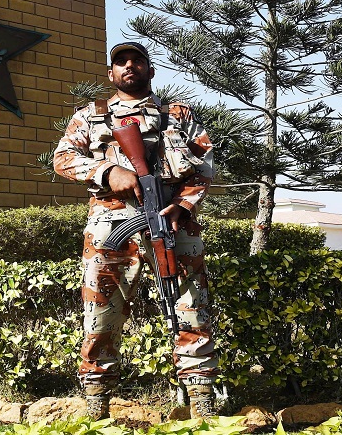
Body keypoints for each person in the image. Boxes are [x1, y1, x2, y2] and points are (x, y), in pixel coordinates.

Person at [53, 42, 219, 419]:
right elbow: (63, 158)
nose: (129, 66)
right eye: (120, 62)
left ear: (150, 69)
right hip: (111, 227)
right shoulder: (89, 117)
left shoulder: (179, 115)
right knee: (101, 312)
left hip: (174, 225)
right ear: (111, 73)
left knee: (191, 309)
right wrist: (108, 172)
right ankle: (96, 402)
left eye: (137, 60)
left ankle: (202, 400)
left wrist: (182, 205)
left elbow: (205, 166)